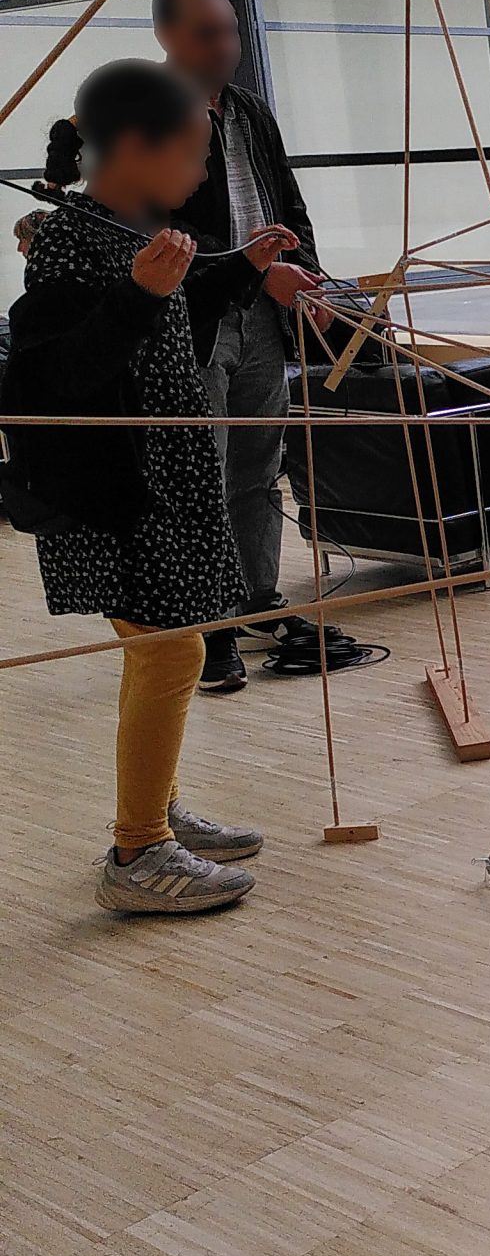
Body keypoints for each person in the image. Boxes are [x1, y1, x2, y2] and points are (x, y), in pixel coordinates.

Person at [0, 62, 316, 913]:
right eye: (194, 155)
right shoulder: (73, 241)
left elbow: (175, 310)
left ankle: (154, 807)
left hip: (167, 479)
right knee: (170, 649)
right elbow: (62, 372)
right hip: (120, 492)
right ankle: (138, 852)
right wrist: (141, 293)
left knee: (165, 649)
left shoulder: (138, 225)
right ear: (136, 150)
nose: (205, 174)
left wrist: (240, 267)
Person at [151, 0, 340, 695]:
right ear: (167, 36)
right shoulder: (146, 110)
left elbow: (288, 200)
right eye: (208, 34)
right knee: (199, 474)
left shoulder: (251, 110)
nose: (226, 46)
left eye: (232, 30)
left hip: (263, 319)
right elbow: (152, 223)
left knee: (259, 468)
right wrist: (262, 274)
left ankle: (259, 603)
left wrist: (308, 281)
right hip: (191, 322)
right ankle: (210, 627)